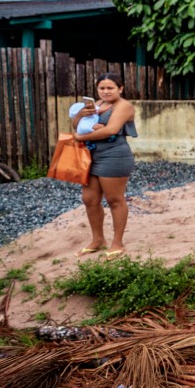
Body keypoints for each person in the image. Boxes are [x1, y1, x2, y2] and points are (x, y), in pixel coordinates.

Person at [71, 73, 137, 258]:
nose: (106, 91)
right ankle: (98, 240)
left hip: (114, 155)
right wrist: (80, 115)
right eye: (102, 88)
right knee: (89, 199)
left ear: (120, 88)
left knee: (114, 200)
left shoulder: (124, 106)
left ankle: (118, 243)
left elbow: (111, 130)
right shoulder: (97, 104)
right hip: (91, 155)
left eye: (110, 88)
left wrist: (81, 137)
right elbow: (77, 125)